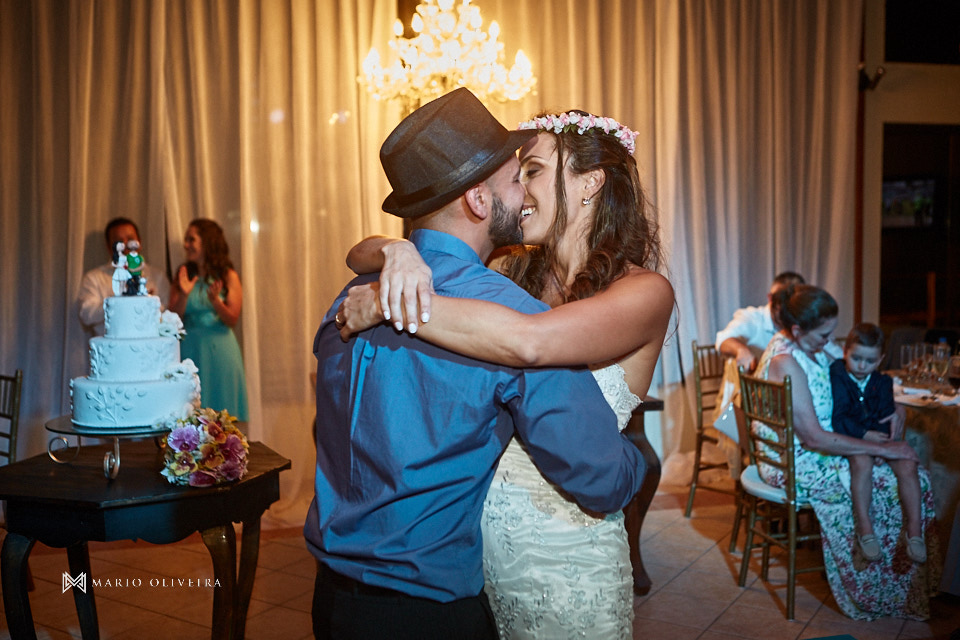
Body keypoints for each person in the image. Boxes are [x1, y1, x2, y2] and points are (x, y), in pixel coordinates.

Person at [307, 88, 648, 640]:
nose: (526, 194)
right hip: (428, 613)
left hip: (332, 601)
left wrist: (390, 252)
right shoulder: (509, 314)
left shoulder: (350, 300)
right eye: (517, 179)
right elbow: (602, 478)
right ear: (479, 202)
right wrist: (633, 462)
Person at [754, 284, 939, 620]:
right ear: (798, 330)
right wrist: (882, 446)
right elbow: (811, 438)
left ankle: (903, 580)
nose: (831, 341)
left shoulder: (814, 349)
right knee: (888, 482)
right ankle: (879, 591)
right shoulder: (786, 361)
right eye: (824, 334)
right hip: (795, 460)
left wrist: (897, 410)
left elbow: (859, 385)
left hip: (828, 444)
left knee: (912, 476)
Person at [830, 323, 924, 563]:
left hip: (877, 439)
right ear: (845, 352)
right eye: (856, 358)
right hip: (852, 439)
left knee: (907, 464)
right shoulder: (837, 374)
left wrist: (885, 445)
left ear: (881, 359)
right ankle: (865, 529)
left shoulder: (883, 382)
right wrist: (866, 436)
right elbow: (839, 418)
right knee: (862, 462)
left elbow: (886, 416)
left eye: (870, 361)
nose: (862, 366)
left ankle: (914, 531)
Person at [168, 218, 248, 421]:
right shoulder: (183, 274)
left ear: (208, 242)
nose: (186, 245)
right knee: (190, 413)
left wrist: (216, 302)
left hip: (220, 351)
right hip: (191, 351)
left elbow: (232, 318)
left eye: (191, 239)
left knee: (223, 415)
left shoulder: (228, 275)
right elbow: (172, 319)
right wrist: (185, 294)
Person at [77, 217, 170, 336]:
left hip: (150, 348)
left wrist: (146, 301)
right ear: (108, 247)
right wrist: (119, 298)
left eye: (131, 239)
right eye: (119, 241)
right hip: (111, 349)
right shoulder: (94, 278)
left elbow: (167, 313)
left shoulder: (157, 277)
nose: (126, 245)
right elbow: (87, 315)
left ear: (139, 242)